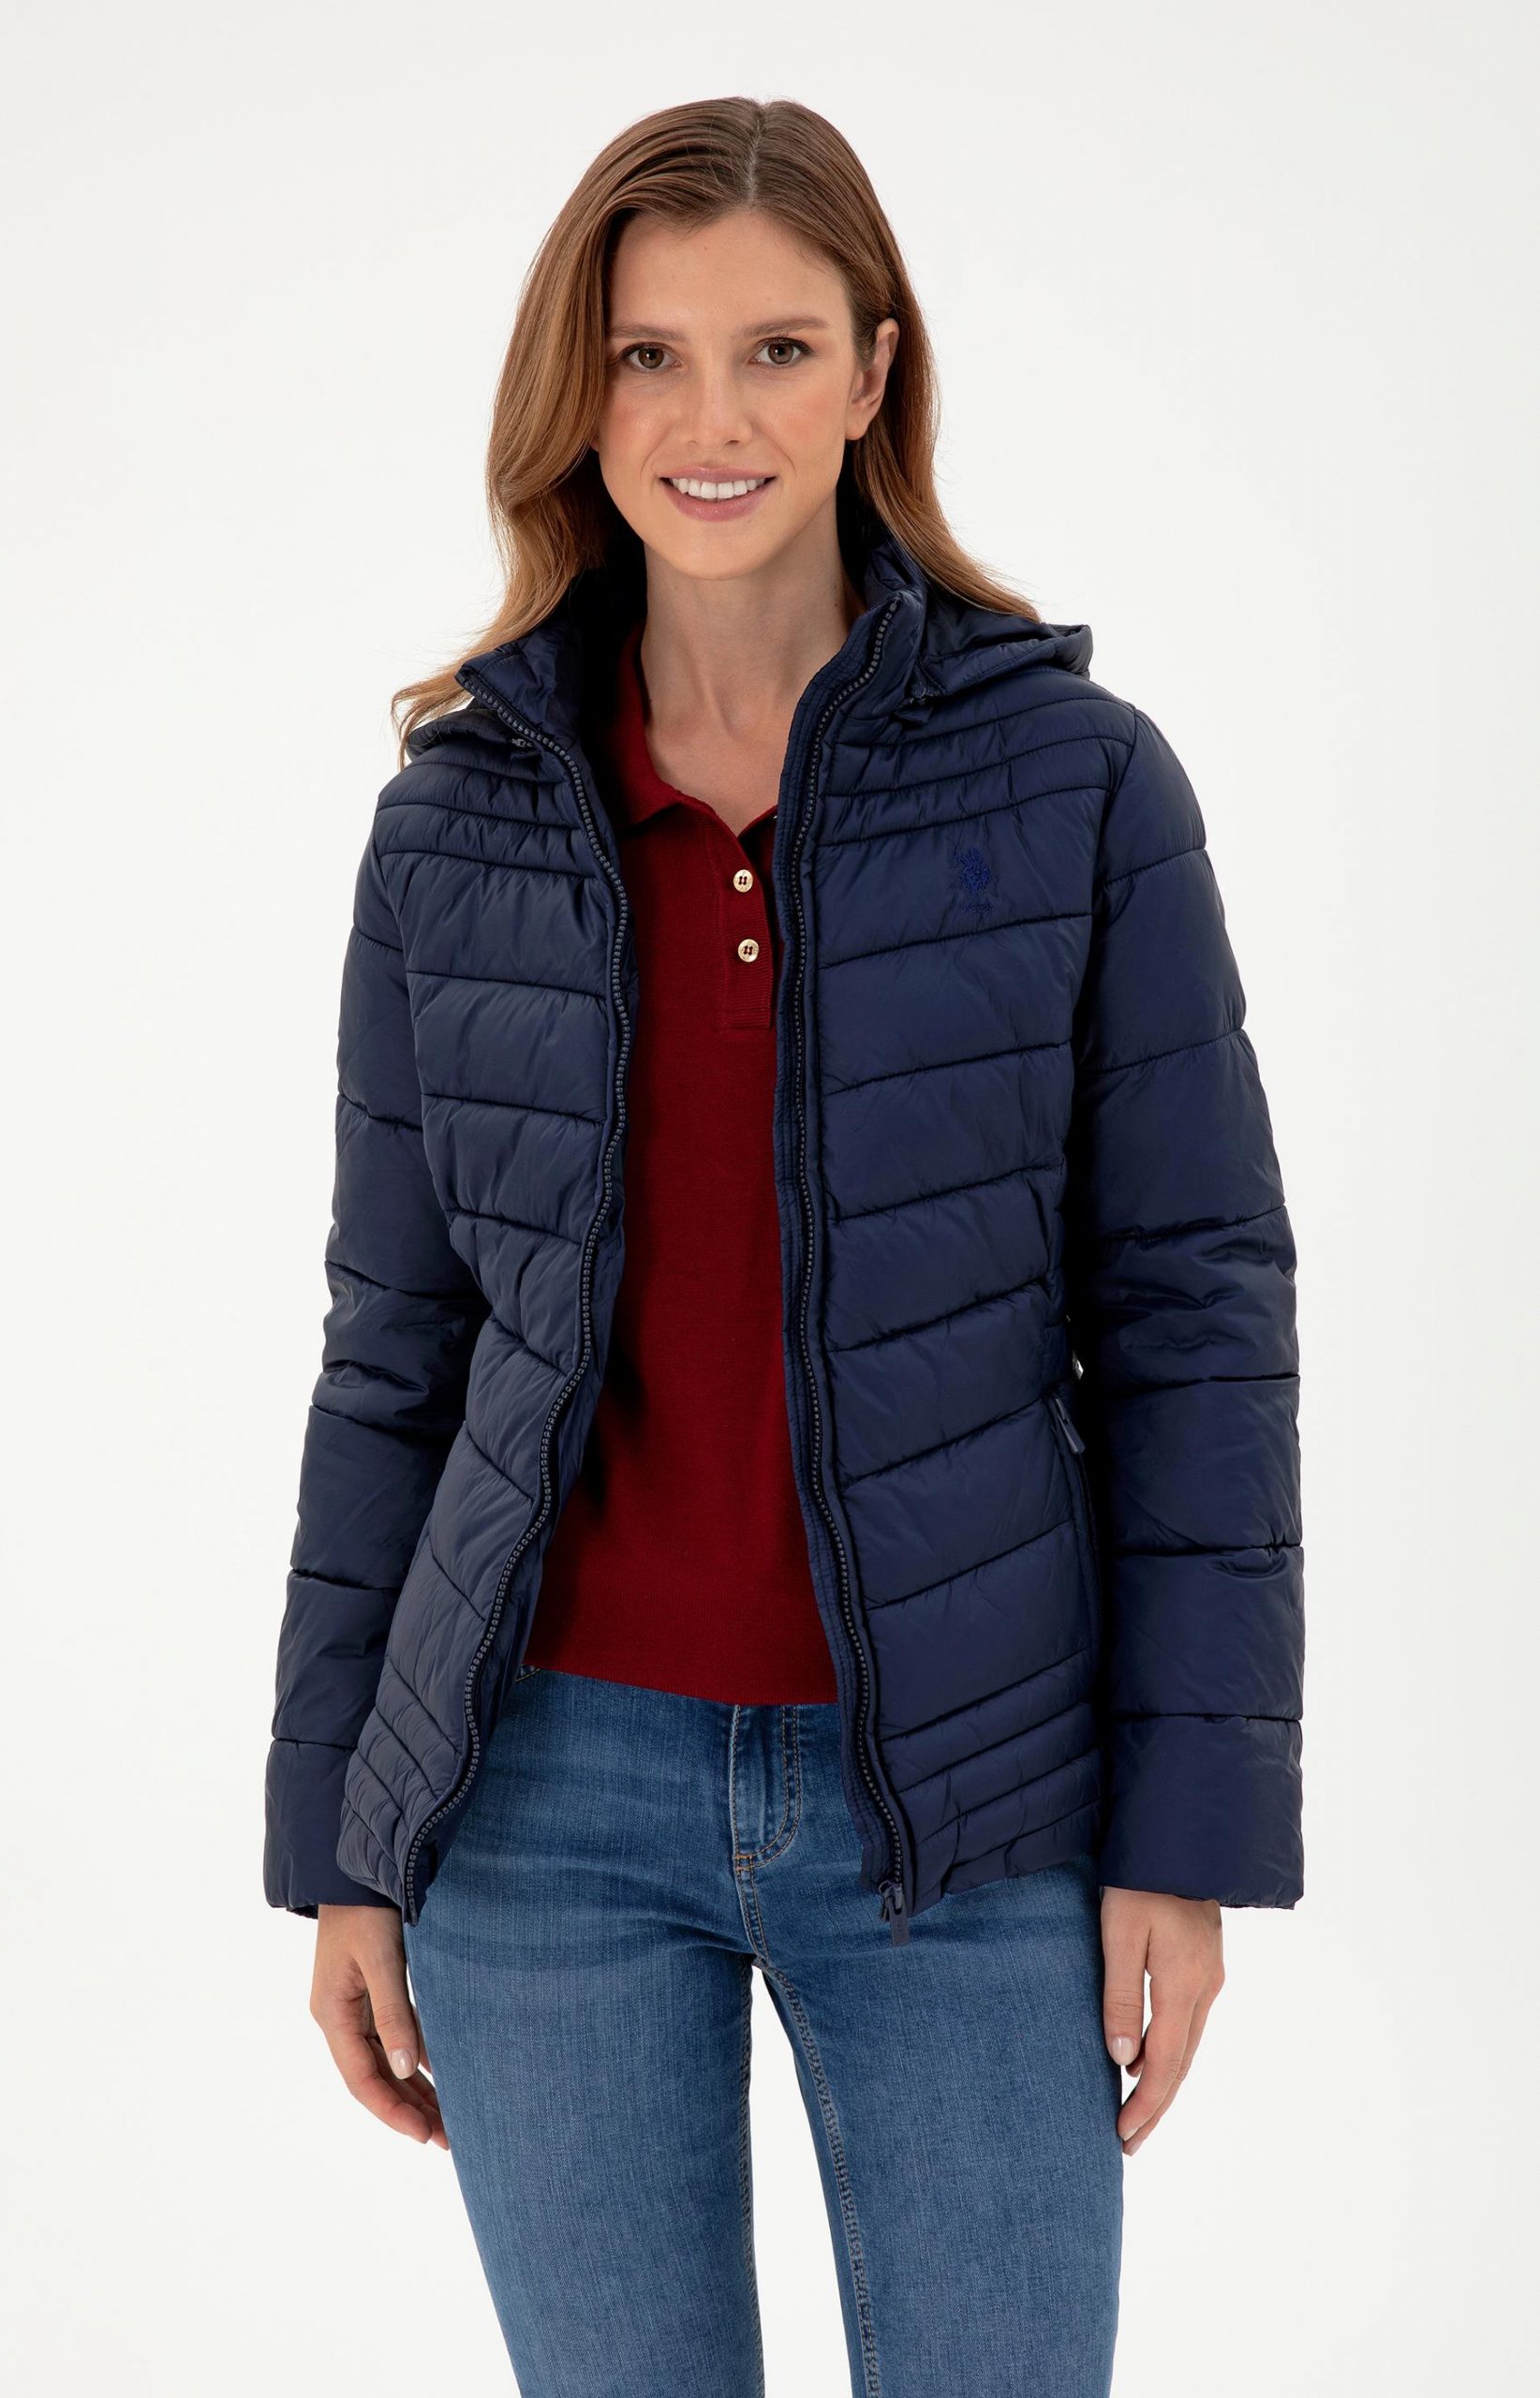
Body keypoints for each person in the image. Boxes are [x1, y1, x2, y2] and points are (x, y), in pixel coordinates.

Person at [263, 96, 1303, 2398]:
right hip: (536, 1801)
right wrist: (342, 1838)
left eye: (772, 349)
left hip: (967, 1791)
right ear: (578, 392)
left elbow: (1191, 1319)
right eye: (645, 355)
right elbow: (392, 1347)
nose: (705, 417)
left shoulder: (1073, 783)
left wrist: (1185, 1833)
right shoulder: (455, 822)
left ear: (870, 375)